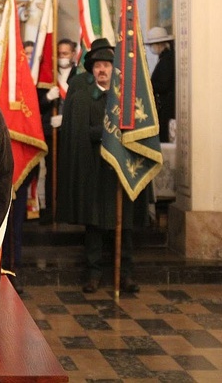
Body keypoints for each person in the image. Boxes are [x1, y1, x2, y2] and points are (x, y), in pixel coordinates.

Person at [57, 38, 147, 294]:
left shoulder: (125, 93)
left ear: (113, 68)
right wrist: (104, 133)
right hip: (93, 168)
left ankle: (125, 274)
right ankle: (93, 274)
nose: (102, 70)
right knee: (94, 225)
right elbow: (77, 131)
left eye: (107, 65)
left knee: (124, 224)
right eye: (98, 65)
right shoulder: (82, 93)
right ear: (92, 68)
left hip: (120, 171)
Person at [36, 38, 77, 223]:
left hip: (71, 132)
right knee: (51, 171)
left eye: (66, 54)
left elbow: (81, 105)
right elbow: (37, 105)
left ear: (74, 54)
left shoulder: (79, 76)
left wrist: (66, 118)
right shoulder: (47, 76)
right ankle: (51, 209)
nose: (62, 57)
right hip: (50, 131)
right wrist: (47, 97)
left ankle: (68, 210)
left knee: (69, 171)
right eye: (59, 54)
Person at [145, 27, 175, 143]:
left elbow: (163, 84)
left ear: (159, 44)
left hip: (167, 106)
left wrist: (149, 86)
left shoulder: (167, 60)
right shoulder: (165, 58)